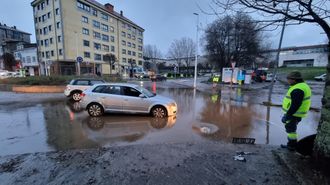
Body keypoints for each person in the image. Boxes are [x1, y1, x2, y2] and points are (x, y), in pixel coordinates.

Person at [281, 71, 311, 151]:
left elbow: (295, 105)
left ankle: (291, 145)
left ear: (294, 79)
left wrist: (288, 115)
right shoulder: (302, 85)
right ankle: (292, 145)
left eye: (289, 79)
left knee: (290, 130)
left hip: (294, 114)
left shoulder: (298, 89)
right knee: (291, 129)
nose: (288, 81)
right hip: (296, 114)